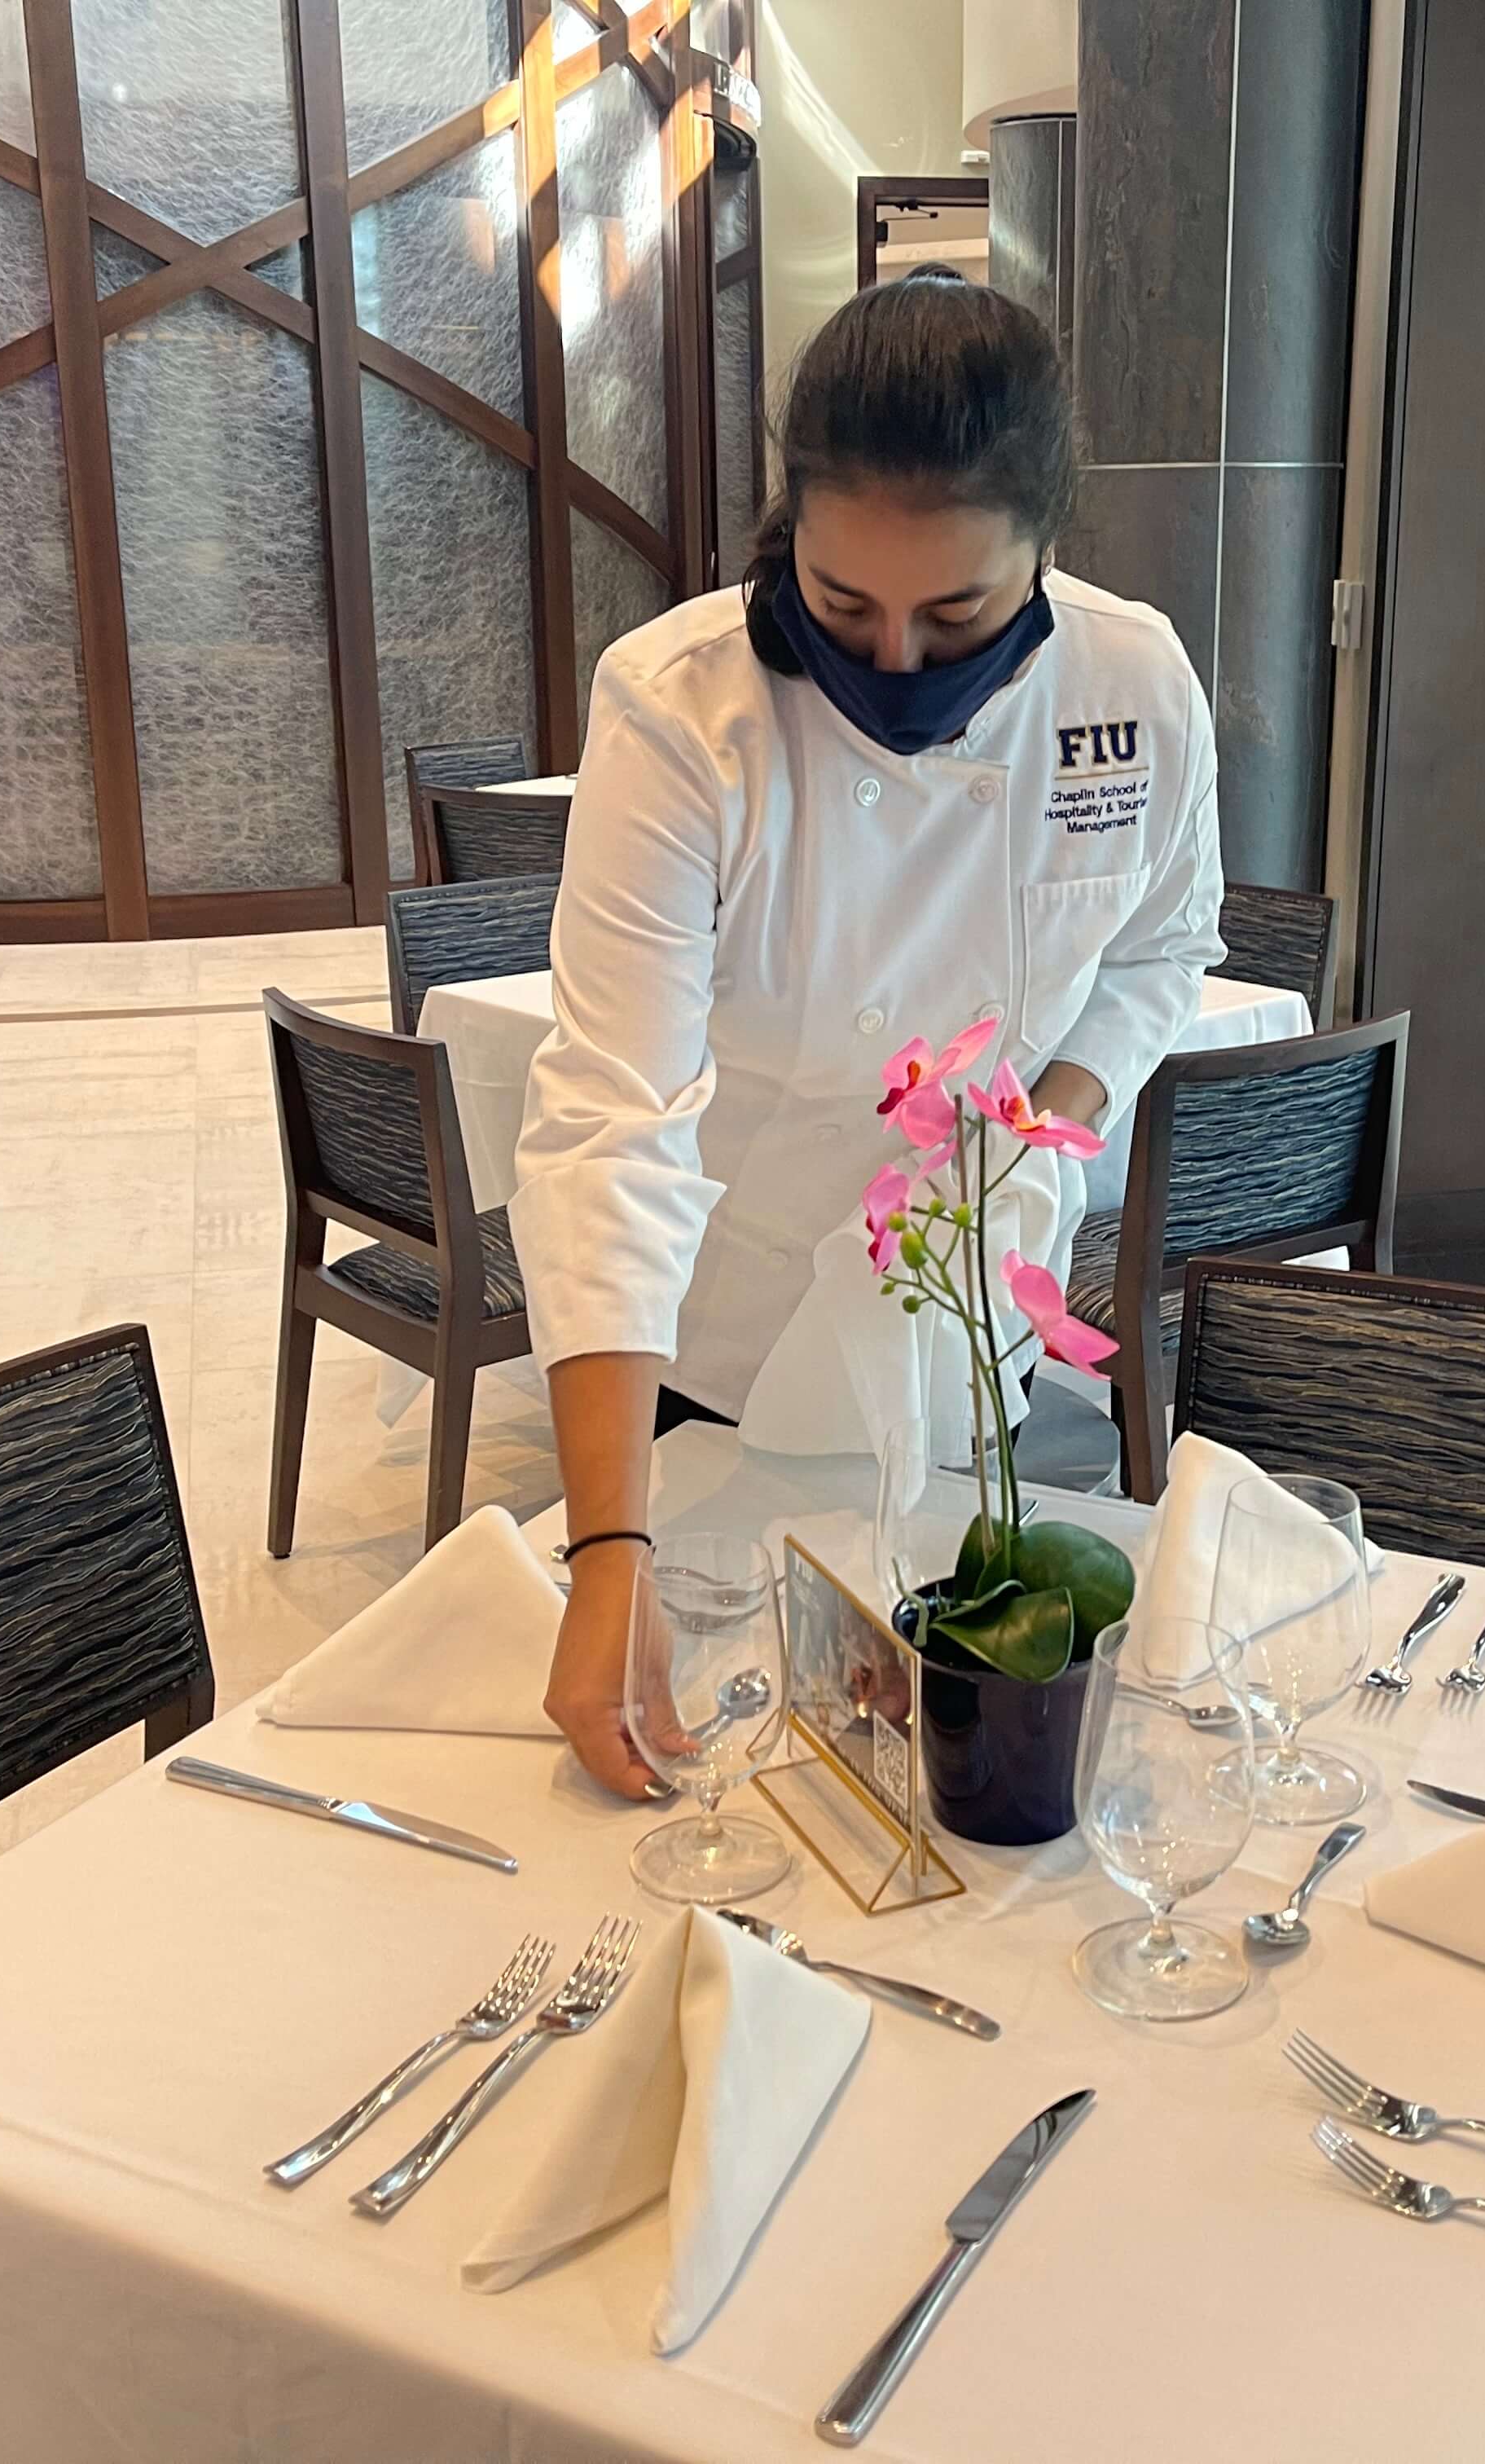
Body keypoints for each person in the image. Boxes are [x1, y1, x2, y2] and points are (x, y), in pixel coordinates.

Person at [510, 269, 1226, 1797]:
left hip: (970, 1316)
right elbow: (610, 1119)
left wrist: (1052, 1118)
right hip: (725, 1329)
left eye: (957, 614)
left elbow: (1165, 947)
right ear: (791, 535)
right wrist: (606, 1547)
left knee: (941, 1753)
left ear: (1048, 553)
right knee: (730, 1764)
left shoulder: (1134, 687)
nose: (896, 662)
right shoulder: (681, 714)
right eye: (844, 608)